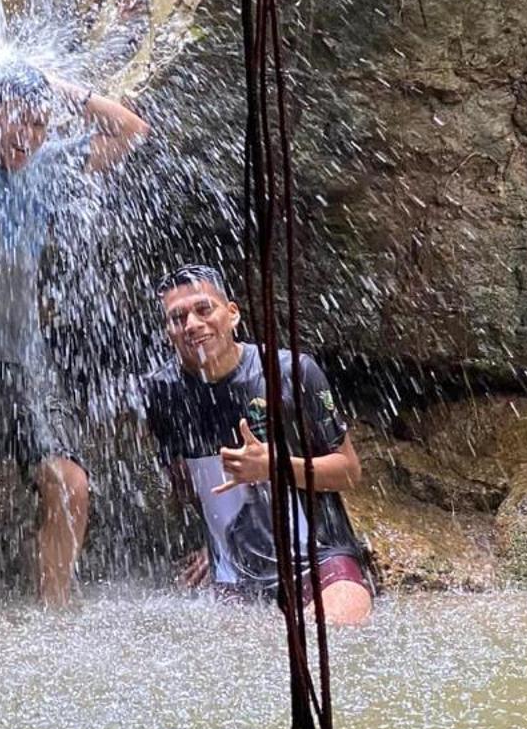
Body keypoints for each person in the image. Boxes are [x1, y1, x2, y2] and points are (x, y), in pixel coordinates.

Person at [0, 40, 149, 616]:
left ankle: (54, 623)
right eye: (21, 120)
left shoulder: (46, 169)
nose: (30, 136)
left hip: (27, 362)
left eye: (40, 125)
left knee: (70, 485)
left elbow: (131, 130)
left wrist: (58, 88)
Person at [141, 264, 374, 625]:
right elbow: (183, 485)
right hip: (235, 574)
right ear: (168, 332)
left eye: (204, 309)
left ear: (232, 314)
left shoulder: (290, 371)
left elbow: (348, 470)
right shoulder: (163, 391)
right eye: (178, 318)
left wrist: (277, 468)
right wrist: (209, 540)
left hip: (320, 558)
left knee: (340, 626)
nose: (192, 324)